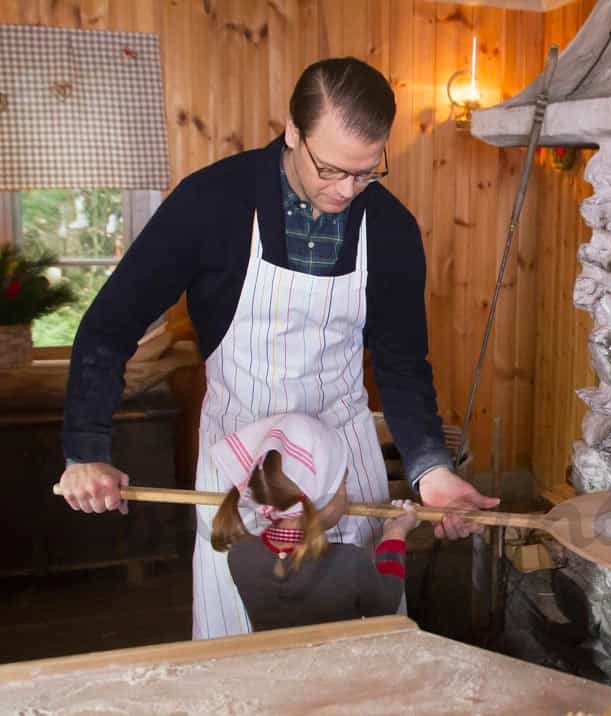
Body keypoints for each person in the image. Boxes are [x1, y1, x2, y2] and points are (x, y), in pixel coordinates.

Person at [56, 57, 497, 638]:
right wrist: (86, 447)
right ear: (293, 130)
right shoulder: (211, 204)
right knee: (239, 641)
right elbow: (109, 326)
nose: (346, 191)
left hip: (343, 462)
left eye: (367, 172)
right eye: (332, 169)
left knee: (358, 642)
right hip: (239, 464)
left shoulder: (389, 229)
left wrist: (429, 469)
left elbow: (402, 365)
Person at [210, 413, 419, 631]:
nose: (348, 495)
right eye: (343, 483)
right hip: (340, 665)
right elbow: (385, 605)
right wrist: (395, 534)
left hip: (274, 664)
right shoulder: (348, 562)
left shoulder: (239, 556)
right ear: (325, 500)